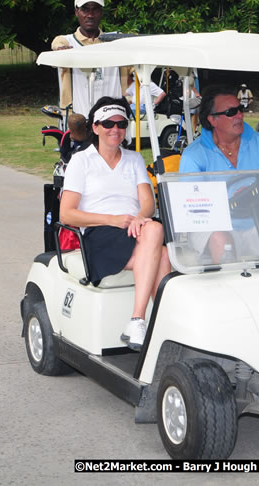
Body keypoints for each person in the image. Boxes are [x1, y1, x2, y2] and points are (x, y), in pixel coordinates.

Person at [59, 96, 171, 350]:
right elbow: (67, 214)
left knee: (157, 237)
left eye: (121, 124)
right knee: (160, 249)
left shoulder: (134, 159)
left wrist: (140, 218)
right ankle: (146, 321)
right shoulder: (81, 161)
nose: (115, 129)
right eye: (108, 123)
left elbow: (147, 203)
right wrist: (114, 220)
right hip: (100, 235)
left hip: (135, 230)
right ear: (95, 127)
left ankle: (145, 324)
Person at [179, 84, 259, 262]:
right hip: (213, 227)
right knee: (222, 241)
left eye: (239, 109)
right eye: (231, 112)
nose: (239, 115)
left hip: (257, 221)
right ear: (212, 120)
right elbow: (194, 211)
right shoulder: (194, 156)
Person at [51, 0, 121, 118]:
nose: (90, 14)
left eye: (95, 9)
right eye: (85, 9)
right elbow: (57, 43)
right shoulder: (68, 41)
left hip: (110, 120)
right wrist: (60, 49)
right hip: (76, 120)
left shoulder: (115, 43)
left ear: (101, 12)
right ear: (76, 12)